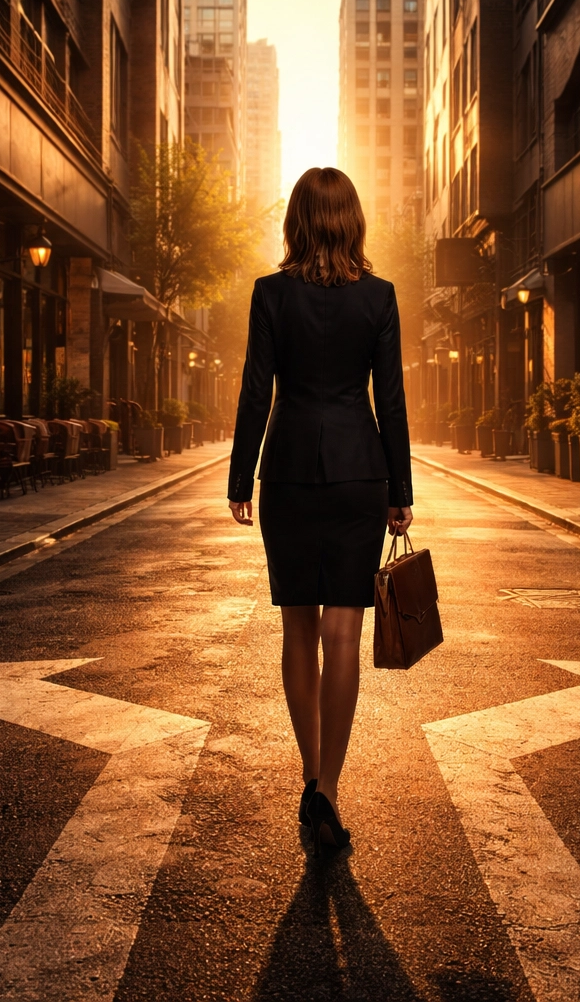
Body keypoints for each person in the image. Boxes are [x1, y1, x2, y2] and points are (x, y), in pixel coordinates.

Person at [227, 167, 413, 855]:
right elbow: (390, 398)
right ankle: (330, 788)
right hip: (361, 471)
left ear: (296, 221)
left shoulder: (270, 293)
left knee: (297, 628)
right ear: (352, 220)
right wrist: (401, 489)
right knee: (344, 631)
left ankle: (310, 775)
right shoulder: (379, 297)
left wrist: (240, 478)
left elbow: (256, 391)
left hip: (289, 472)